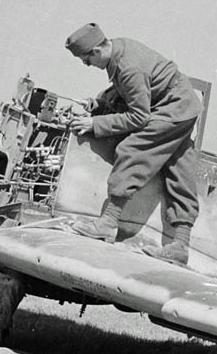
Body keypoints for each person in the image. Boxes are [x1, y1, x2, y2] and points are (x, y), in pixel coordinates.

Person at [65, 22, 203, 265]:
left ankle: (108, 223)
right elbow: (126, 90)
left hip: (174, 109)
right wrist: (99, 105)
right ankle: (180, 246)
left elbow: (139, 116)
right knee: (179, 168)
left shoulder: (129, 67)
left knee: (131, 150)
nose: (87, 65)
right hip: (182, 105)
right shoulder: (120, 49)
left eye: (86, 60)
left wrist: (95, 125)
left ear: (96, 52)